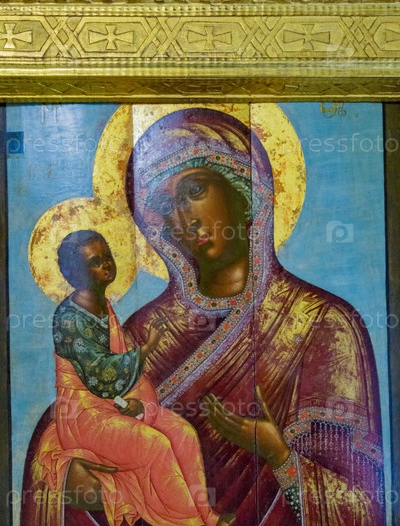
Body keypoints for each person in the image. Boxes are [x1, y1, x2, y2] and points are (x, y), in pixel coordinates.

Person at [22, 107, 385, 525]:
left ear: (244, 191)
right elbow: (80, 414)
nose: (184, 217)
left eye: (195, 190)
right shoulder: (145, 329)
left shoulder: (322, 323)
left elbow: (362, 501)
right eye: (166, 204)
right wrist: (62, 473)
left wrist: (279, 454)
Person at [34, 229, 235, 526]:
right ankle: (191, 522)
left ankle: (207, 515)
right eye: (95, 262)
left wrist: (140, 407)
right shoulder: (70, 317)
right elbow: (100, 375)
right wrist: (145, 351)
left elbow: (126, 375)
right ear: (75, 273)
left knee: (183, 433)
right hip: (84, 417)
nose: (106, 264)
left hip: (114, 406)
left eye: (107, 256)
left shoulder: (105, 306)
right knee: (155, 445)